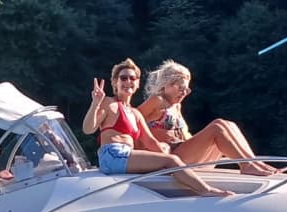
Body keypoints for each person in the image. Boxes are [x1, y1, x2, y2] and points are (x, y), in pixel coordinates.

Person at [82, 58, 232, 197]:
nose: (128, 81)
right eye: (123, 78)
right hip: (112, 155)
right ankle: (206, 191)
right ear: (115, 82)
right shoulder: (109, 103)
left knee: (170, 160)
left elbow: (151, 143)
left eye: (133, 78)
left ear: (138, 83)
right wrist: (95, 103)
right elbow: (88, 129)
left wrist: (175, 159)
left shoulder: (135, 114)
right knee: (170, 161)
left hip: (125, 156)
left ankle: (188, 183)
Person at [138, 60, 276, 176]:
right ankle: (247, 166)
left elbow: (186, 136)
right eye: (181, 88)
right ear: (167, 85)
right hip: (171, 159)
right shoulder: (156, 101)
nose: (185, 93)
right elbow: (131, 118)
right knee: (217, 126)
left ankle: (253, 162)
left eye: (187, 89)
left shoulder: (176, 107)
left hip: (185, 153)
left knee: (228, 124)